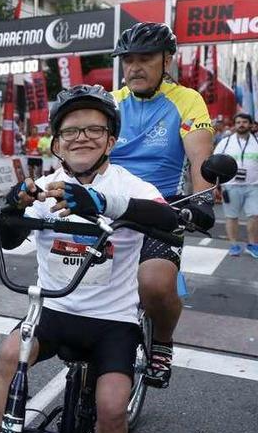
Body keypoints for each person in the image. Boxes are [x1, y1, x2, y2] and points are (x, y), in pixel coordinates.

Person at [0, 84, 179, 433]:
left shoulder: (131, 187)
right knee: (7, 356)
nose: (81, 138)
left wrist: (101, 204)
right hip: (54, 312)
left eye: (94, 130)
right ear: (56, 143)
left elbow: (169, 221)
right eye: (71, 131)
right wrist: (13, 206)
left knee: (110, 408)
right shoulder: (45, 187)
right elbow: (8, 240)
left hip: (113, 322)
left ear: (111, 140)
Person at [110, 22, 216, 388]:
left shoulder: (187, 100)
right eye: (128, 60)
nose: (134, 67)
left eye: (145, 58)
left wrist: (202, 200)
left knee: (155, 285)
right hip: (109, 204)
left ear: (166, 59)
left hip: (162, 205)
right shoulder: (111, 102)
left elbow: (200, 156)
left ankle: (162, 342)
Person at [215, 112, 258, 258]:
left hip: (254, 186)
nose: (241, 125)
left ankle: (253, 245)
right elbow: (215, 163)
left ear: (251, 125)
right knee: (231, 217)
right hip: (230, 186)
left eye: (245, 122)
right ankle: (233, 245)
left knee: (255, 216)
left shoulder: (256, 142)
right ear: (235, 124)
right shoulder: (225, 142)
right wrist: (216, 185)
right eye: (238, 122)